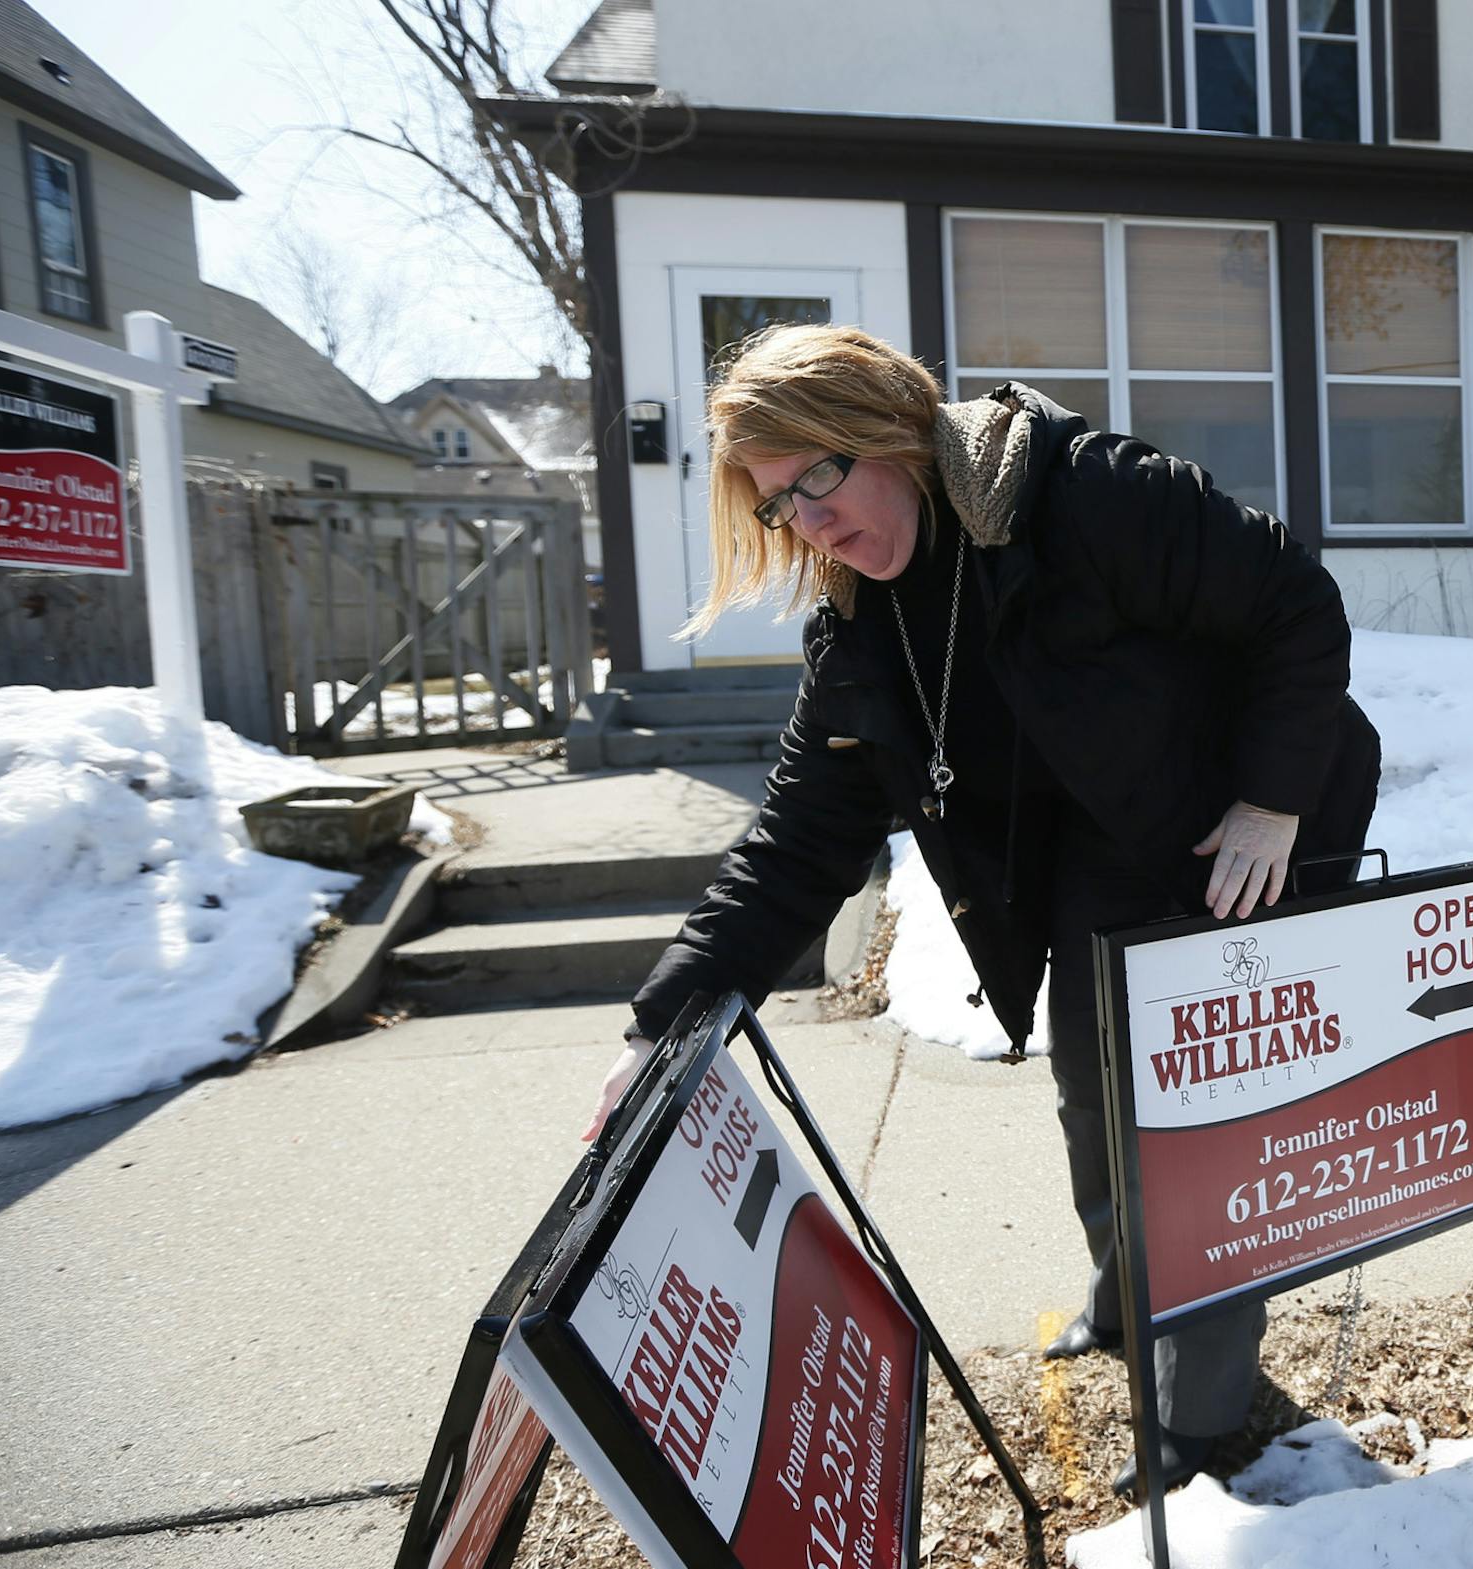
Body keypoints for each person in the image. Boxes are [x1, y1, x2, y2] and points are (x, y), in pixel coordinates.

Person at [583, 323, 1381, 1495]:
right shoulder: (859, 628)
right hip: (1086, 847)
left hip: (1226, 829)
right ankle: (1126, 1307)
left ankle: (1205, 1421)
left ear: (892, 436)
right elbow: (799, 841)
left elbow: (1297, 605)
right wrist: (663, 1024)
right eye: (776, 503)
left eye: (821, 476)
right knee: (1090, 1092)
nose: (808, 520)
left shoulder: (1084, 495)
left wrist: (1274, 802)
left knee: (1190, 1130)